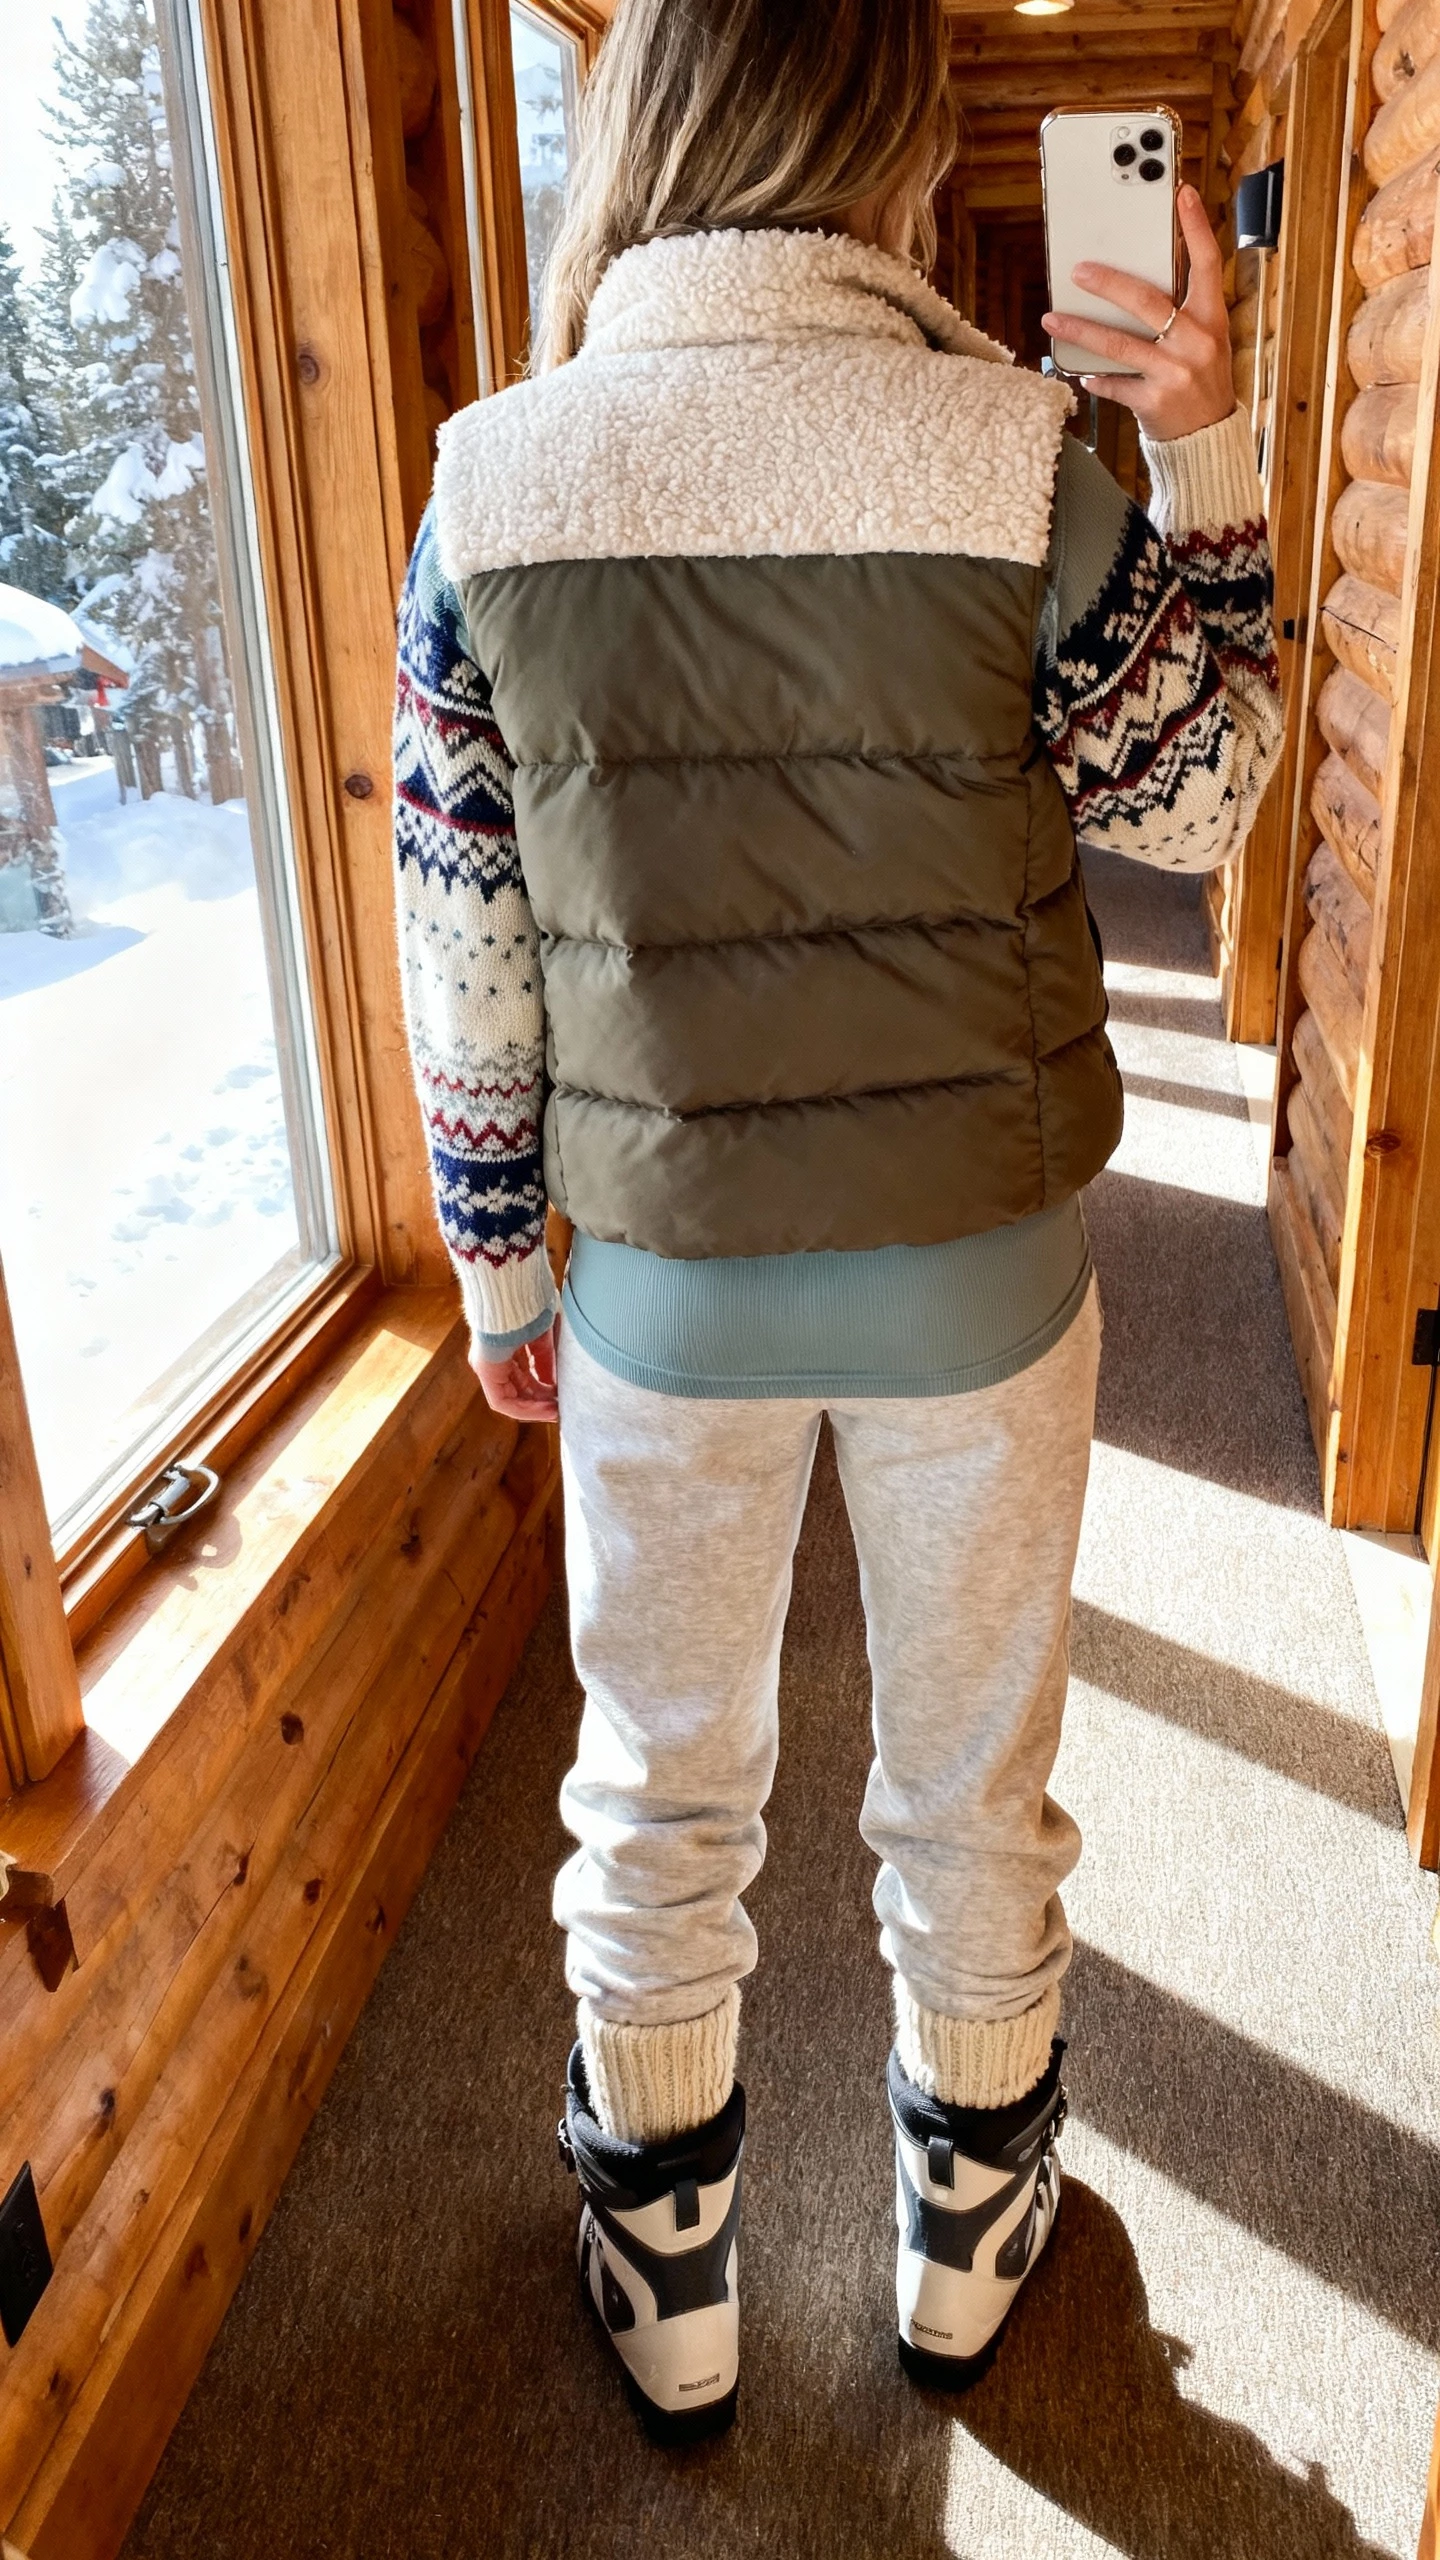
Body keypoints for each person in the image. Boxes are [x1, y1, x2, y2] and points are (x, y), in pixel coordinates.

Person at [392, 0, 1281, 2443]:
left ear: (646, 121)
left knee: (663, 1769)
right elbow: (1202, 796)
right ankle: (971, 2219)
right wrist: (1195, 428)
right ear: (892, 132)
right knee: (964, 1770)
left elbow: (466, 951)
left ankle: (667, 2249)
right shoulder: (1022, 453)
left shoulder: (490, 488)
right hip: (977, 1271)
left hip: (659, 1280)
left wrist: (499, 1265)